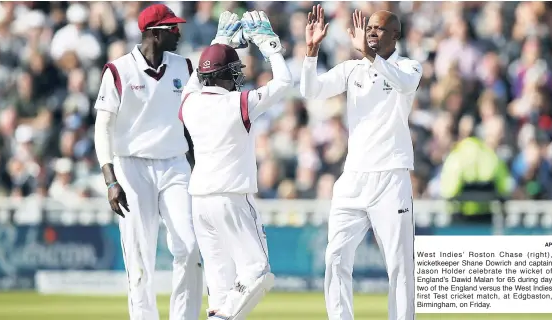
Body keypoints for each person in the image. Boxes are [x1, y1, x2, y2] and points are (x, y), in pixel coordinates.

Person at [300, 5, 423, 320]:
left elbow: (404, 85)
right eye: (369, 27)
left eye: (379, 29)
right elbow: (310, 90)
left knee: (400, 265)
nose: (371, 32)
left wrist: (369, 56)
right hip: (353, 178)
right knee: (336, 258)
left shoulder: (409, 67)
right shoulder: (351, 69)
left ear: (395, 35)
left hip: (391, 178)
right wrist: (311, 50)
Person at [179, 10, 292, 320]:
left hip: (200, 202)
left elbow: (193, 83)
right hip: (232, 198)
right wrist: (269, 46)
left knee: (220, 285)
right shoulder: (238, 103)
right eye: (234, 71)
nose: (238, 77)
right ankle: (222, 316)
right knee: (258, 271)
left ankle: (220, 312)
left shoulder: (189, 103)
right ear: (224, 75)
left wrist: (218, 42)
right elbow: (285, 81)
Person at [93, 4, 202, 320]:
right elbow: (104, 126)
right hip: (132, 166)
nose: (178, 33)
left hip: (175, 165)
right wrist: (110, 180)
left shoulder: (185, 67)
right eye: (172, 28)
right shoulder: (119, 70)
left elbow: (194, 120)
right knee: (140, 259)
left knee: (190, 246)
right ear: (154, 33)